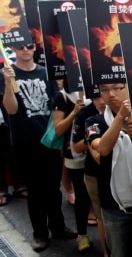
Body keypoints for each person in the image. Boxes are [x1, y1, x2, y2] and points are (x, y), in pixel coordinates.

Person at [0, 42, 76, 252]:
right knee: (35, 190)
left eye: (29, 45)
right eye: (20, 46)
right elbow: (11, 109)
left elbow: (55, 106)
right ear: (13, 50)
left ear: (35, 48)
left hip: (49, 139)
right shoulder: (7, 73)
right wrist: (8, 83)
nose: (25, 49)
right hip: (24, 141)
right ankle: (40, 234)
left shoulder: (45, 72)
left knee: (53, 188)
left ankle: (58, 227)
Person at [86, 83, 132, 257]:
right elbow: (102, 149)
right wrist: (120, 118)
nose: (111, 94)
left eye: (117, 88)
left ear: (128, 88)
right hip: (114, 207)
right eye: (105, 90)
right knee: (119, 252)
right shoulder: (94, 122)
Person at [52, 82, 94, 252]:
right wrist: (75, 112)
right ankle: (82, 235)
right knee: (82, 194)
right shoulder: (61, 96)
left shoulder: (97, 91)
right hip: (74, 153)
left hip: (96, 151)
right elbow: (58, 130)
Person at [72, 94, 109, 257]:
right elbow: (77, 146)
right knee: (101, 213)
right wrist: (93, 138)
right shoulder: (85, 115)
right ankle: (106, 251)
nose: (102, 100)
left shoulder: (122, 109)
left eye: (113, 89)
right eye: (97, 96)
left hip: (122, 171)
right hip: (95, 172)